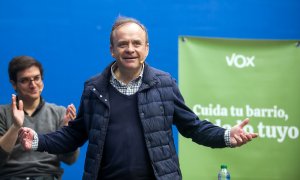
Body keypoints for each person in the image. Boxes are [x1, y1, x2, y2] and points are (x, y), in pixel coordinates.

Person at [17, 17, 258, 180]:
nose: (130, 49)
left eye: (136, 43)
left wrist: (226, 136)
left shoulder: (164, 83)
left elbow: (192, 127)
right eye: (123, 44)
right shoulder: (93, 88)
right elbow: (75, 134)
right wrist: (38, 141)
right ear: (112, 50)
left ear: (146, 49)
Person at [0, 56, 80, 180]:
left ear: (42, 80)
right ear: (14, 84)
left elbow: (70, 160)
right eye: (25, 80)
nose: (33, 85)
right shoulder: (2, 113)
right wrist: (15, 126)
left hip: (48, 176)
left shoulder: (60, 113)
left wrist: (69, 132)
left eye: (36, 78)